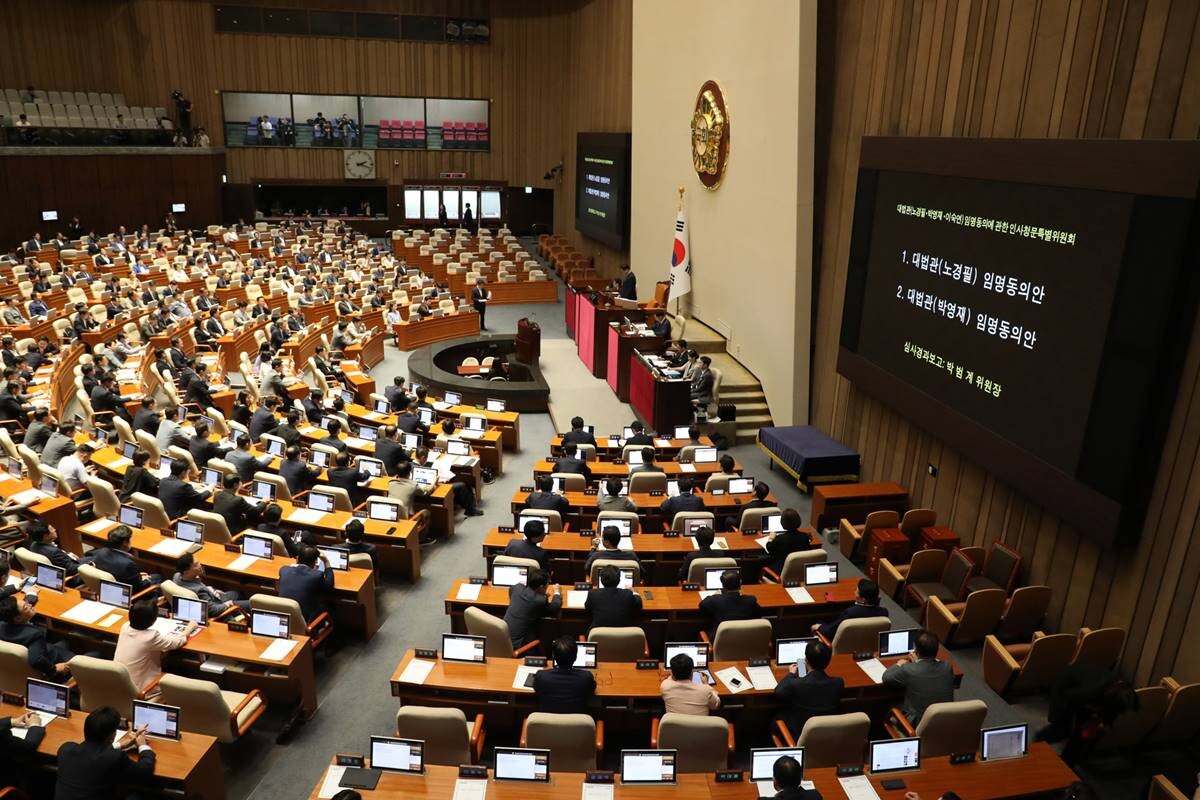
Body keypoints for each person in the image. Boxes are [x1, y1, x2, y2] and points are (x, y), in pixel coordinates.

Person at [54, 705, 158, 800]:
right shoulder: (114, 758)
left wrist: (119, 745)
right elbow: (145, 770)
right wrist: (142, 745)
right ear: (112, 736)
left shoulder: (65, 750)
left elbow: (92, 755)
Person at [115, 600, 196, 698]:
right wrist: (189, 628)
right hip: (142, 690)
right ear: (153, 620)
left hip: (119, 685)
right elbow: (176, 643)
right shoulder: (151, 636)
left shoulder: (125, 627)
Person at [881, 630, 955, 726]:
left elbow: (886, 677)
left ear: (916, 650)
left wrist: (899, 664)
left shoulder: (909, 669)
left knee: (887, 704)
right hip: (944, 721)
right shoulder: (947, 667)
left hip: (918, 724)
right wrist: (919, 661)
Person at [774, 639, 844, 735]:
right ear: (828, 662)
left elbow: (778, 692)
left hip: (799, 733)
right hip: (827, 732)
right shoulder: (838, 683)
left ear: (806, 660)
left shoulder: (796, 684)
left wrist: (790, 674)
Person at [0, 597, 78, 680]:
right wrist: (54, 669)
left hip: (17, 670)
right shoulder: (34, 634)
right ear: (18, 618)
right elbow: (36, 660)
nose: (30, 605)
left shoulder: (1, 625)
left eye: (26, 602)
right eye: (26, 607)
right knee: (86, 659)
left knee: (64, 641)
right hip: (53, 662)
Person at [84, 526, 160, 593]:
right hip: (125, 593)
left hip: (109, 588)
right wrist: (145, 580)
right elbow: (138, 587)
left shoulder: (101, 552)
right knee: (157, 576)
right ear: (125, 543)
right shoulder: (128, 564)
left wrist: (137, 576)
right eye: (130, 539)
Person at [531, 636, 595, 713]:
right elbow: (591, 690)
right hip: (576, 723)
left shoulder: (541, 676)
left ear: (554, 657)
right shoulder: (586, 677)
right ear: (575, 658)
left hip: (548, 722)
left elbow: (536, 688)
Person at [173, 552, 249, 617]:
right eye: (196, 565)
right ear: (186, 572)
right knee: (250, 604)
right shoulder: (199, 591)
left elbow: (195, 585)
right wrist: (228, 604)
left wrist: (209, 589)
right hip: (218, 604)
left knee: (239, 593)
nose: (200, 565)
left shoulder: (177, 576)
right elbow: (213, 610)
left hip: (214, 595)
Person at [813, 579, 888, 641]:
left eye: (856, 591)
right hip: (870, 647)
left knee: (818, 624)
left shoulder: (851, 613)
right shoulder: (884, 612)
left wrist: (819, 626)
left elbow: (829, 631)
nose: (854, 592)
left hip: (841, 646)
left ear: (863, 599)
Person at [503, 567, 561, 649]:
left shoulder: (517, 588)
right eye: (547, 584)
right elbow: (555, 606)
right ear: (541, 587)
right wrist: (557, 592)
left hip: (503, 638)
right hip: (517, 645)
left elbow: (511, 591)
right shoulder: (540, 601)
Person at [698, 570, 763, 637]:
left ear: (722, 583)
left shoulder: (715, 600)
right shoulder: (750, 600)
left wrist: (715, 596)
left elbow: (702, 605)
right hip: (745, 639)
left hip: (721, 641)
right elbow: (758, 614)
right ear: (740, 583)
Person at [279, 545, 334, 622]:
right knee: (328, 604)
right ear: (315, 562)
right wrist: (326, 562)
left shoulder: (283, 570)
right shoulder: (317, 575)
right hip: (304, 621)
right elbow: (329, 586)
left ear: (297, 558)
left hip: (282, 617)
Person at [585, 564, 643, 629]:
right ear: (619, 580)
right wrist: (634, 592)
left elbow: (587, 610)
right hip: (624, 636)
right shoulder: (627, 594)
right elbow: (639, 605)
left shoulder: (593, 594)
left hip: (598, 636)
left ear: (601, 580)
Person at [764, 509, 818, 576]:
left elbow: (769, 548)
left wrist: (771, 538)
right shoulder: (805, 537)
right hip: (799, 570)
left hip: (781, 570)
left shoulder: (780, 539)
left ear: (782, 523)